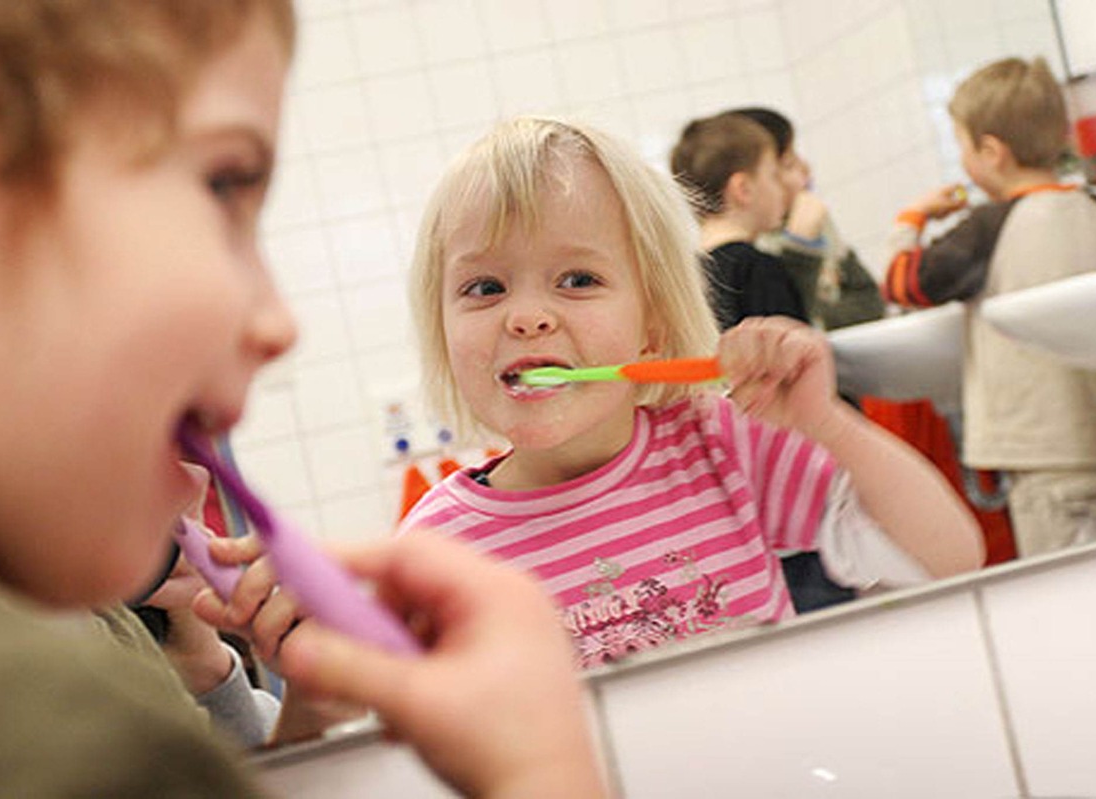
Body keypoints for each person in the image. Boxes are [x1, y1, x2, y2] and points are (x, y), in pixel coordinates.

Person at [0, 2, 606, 797]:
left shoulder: (80, 635)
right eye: (222, 184)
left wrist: (277, 697)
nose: (279, 323)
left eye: (580, 279)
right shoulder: (60, 730)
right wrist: (542, 775)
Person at [399, 115, 985, 670]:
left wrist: (826, 422)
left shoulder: (720, 444)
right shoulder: (434, 555)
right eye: (484, 287)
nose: (526, 318)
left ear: (652, 326)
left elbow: (950, 559)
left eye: (578, 280)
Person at [882, 56, 1096, 558]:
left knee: (1068, 604)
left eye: (961, 145)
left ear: (991, 151)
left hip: (1048, 460)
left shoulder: (991, 226)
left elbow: (901, 283)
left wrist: (911, 217)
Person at [726, 106, 886, 332]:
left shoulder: (811, 221)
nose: (805, 169)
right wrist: (799, 248)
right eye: (789, 163)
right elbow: (795, 326)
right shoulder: (751, 256)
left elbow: (869, 303)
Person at [669, 112, 809, 329]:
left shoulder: (686, 276)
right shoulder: (759, 270)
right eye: (773, 175)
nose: (781, 187)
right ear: (743, 189)